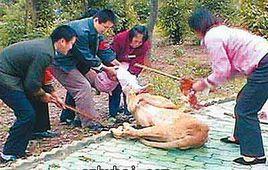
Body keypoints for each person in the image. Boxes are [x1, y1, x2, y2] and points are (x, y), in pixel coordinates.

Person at [188, 8, 268, 165]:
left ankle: (254, 155)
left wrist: (203, 84)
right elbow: (229, 69)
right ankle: (239, 136)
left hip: (264, 65)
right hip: (263, 61)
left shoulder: (212, 37)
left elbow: (222, 70)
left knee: (245, 109)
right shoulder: (222, 31)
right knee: (243, 99)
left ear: (197, 28)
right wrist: (212, 83)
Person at [0, 25, 77, 163]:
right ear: (62, 41)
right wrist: (44, 95)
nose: (71, 47)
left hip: (15, 74)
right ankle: (9, 152)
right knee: (27, 114)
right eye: (71, 43)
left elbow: (42, 77)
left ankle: (37, 130)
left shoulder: (47, 47)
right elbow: (32, 84)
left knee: (37, 100)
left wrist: (55, 96)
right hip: (5, 77)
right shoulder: (46, 53)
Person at [53, 9, 119, 128]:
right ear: (96, 20)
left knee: (88, 81)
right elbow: (86, 56)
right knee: (83, 87)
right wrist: (106, 69)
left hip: (78, 62)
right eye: (105, 27)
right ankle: (90, 122)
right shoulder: (81, 31)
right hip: (63, 63)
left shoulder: (97, 31)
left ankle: (71, 116)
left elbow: (103, 49)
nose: (106, 30)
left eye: (109, 28)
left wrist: (115, 63)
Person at [109, 25, 151, 118]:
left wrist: (132, 73)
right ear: (130, 37)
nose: (137, 44)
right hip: (117, 63)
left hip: (132, 64)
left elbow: (139, 61)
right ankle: (113, 113)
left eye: (140, 42)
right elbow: (111, 54)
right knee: (116, 88)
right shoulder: (120, 38)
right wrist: (115, 68)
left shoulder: (145, 45)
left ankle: (128, 110)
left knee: (131, 87)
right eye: (135, 41)